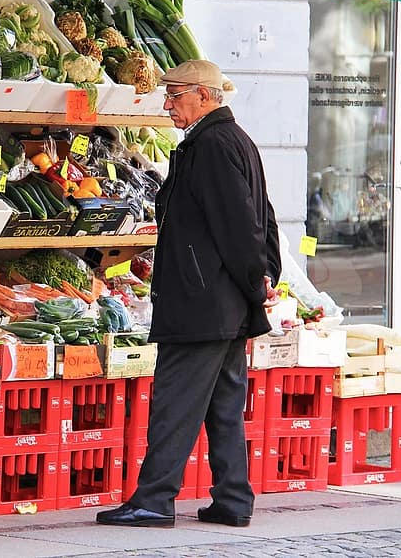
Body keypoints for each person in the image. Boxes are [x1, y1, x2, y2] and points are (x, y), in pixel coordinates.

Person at [96, 60, 281, 529]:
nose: (168, 103)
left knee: (175, 404)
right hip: (223, 302)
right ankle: (233, 500)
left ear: (205, 95)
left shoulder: (212, 145)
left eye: (175, 95)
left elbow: (241, 225)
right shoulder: (233, 140)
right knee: (224, 406)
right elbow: (264, 215)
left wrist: (257, 278)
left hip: (203, 302)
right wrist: (263, 278)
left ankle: (154, 500)